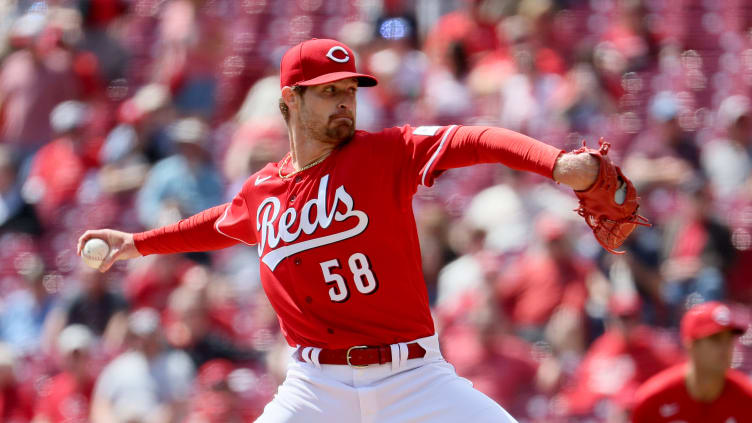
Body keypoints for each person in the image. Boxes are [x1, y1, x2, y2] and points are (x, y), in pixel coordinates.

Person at [78, 38, 614, 422]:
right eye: (327, 91)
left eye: (349, 90)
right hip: (317, 387)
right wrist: (137, 244)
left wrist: (554, 162)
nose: (344, 102)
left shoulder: (386, 153)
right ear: (290, 101)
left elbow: (476, 139)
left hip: (415, 378)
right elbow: (218, 223)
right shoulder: (263, 192)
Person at [631, 301, 752, 422]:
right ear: (691, 345)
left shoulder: (747, 398)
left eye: (729, 338)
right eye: (715, 339)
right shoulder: (653, 400)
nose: (725, 347)